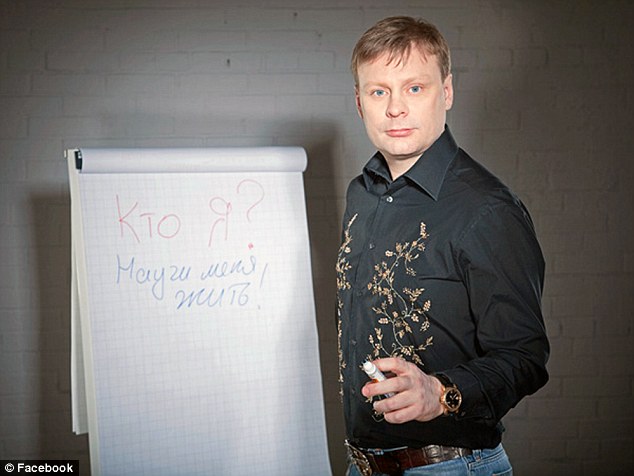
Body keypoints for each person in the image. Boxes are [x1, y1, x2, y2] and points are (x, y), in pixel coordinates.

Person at [336, 16, 549, 476]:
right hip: (362, 465)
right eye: (379, 92)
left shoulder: (487, 209)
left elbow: (525, 357)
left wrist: (439, 392)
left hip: (450, 466)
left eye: (415, 88)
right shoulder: (360, 194)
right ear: (359, 102)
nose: (395, 108)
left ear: (446, 92)